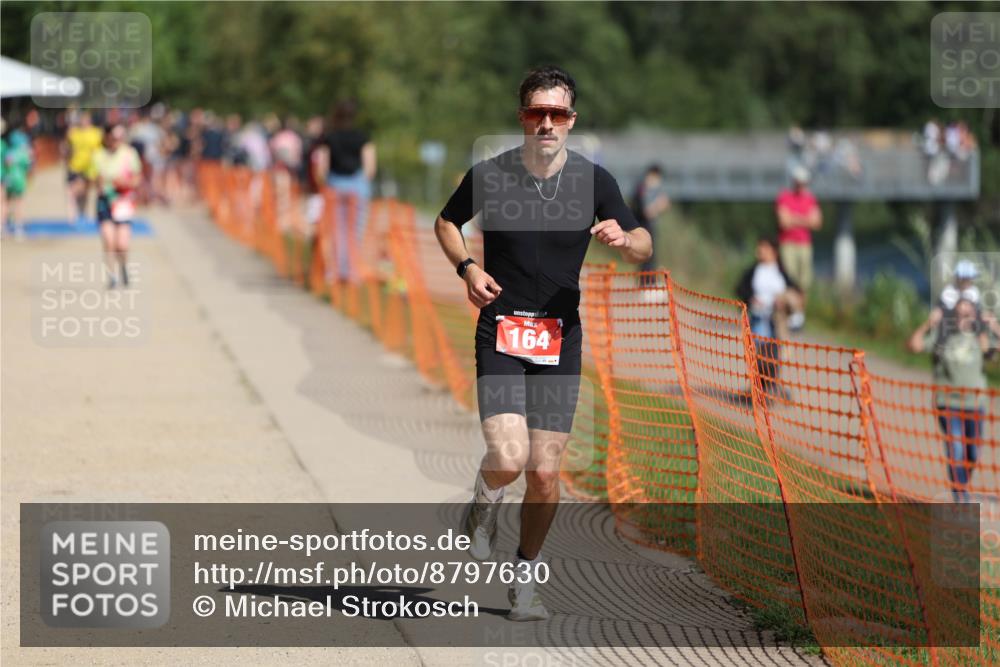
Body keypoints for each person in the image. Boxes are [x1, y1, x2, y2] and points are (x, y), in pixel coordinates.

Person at [434, 66, 652, 621]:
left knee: (547, 472)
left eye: (558, 114)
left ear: (572, 120)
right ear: (522, 118)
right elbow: (446, 222)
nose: (547, 123)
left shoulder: (594, 181)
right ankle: (484, 500)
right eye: (537, 113)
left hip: (560, 338)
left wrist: (625, 240)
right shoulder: (492, 174)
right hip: (502, 332)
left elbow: (645, 243)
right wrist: (466, 268)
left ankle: (524, 581)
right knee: (508, 460)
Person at [908, 298, 995, 501]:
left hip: (976, 404)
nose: (964, 316)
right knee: (956, 449)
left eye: (968, 312)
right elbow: (914, 345)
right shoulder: (942, 336)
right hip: (948, 403)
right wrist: (928, 324)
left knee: (973, 453)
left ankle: (961, 484)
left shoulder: (979, 337)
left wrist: (994, 326)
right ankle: (960, 495)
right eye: (960, 312)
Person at [736, 238, 804, 399]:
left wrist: (785, 302)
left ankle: (769, 386)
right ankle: (760, 387)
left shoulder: (780, 272)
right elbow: (740, 289)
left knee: (773, 354)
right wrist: (751, 299)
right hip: (759, 318)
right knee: (760, 354)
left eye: (764, 249)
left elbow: (796, 290)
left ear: (773, 252)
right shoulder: (753, 271)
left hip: (777, 320)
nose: (760, 252)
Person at [324, 100, 376, 282]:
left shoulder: (329, 137)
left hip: (335, 185)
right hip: (357, 186)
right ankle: (352, 272)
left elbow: (322, 164)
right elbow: (370, 167)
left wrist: (324, 183)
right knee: (355, 231)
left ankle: (335, 271)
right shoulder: (362, 137)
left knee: (337, 230)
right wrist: (361, 183)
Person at [94, 123, 142, 289]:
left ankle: (123, 267)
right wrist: (100, 184)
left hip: (123, 202)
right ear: (107, 138)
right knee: (109, 241)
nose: (117, 141)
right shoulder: (98, 155)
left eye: (120, 138)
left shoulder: (129, 154)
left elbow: (137, 178)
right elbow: (95, 179)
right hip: (105, 201)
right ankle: (112, 276)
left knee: (122, 244)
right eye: (114, 138)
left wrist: (125, 183)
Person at [775, 164, 820, 327]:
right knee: (789, 278)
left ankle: (799, 314)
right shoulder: (784, 197)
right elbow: (783, 222)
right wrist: (805, 219)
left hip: (804, 244)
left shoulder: (810, 198)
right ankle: (789, 312)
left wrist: (794, 218)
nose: (802, 185)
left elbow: (817, 222)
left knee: (804, 282)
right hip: (788, 243)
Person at [630, 164, 670, 296]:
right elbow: (647, 212)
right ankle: (646, 285)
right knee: (647, 256)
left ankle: (648, 284)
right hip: (644, 227)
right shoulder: (643, 188)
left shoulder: (644, 188)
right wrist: (659, 204)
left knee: (650, 256)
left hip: (646, 226)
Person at [64, 111, 103, 226]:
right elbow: (67, 148)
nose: (84, 122)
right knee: (71, 192)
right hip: (75, 166)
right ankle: (72, 217)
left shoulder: (97, 133)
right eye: (82, 119)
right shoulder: (73, 133)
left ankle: (83, 215)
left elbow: (100, 150)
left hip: (90, 168)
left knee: (85, 193)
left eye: (86, 119)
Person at [2, 119, 34, 239]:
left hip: (9, 179)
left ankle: (4, 225)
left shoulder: (9, 152)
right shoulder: (24, 153)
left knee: (7, 202)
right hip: (20, 180)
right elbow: (29, 167)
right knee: (19, 203)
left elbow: (6, 164)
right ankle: (18, 227)